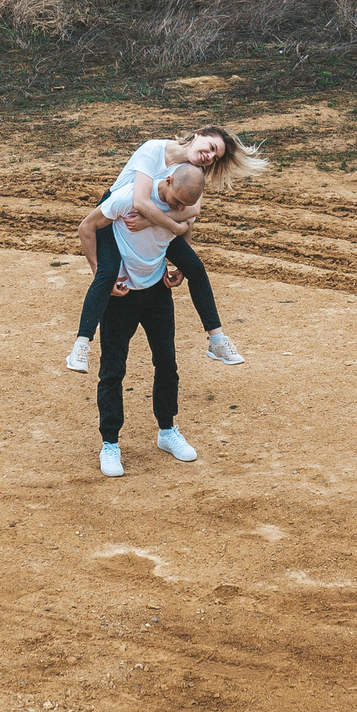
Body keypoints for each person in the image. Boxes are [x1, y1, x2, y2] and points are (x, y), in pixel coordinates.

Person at [65, 124, 266, 373]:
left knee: (195, 267)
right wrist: (177, 227)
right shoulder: (153, 150)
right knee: (106, 273)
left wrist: (160, 229)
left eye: (216, 157)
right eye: (211, 148)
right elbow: (140, 201)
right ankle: (81, 345)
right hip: (115, 213)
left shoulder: (194, 170)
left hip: (154, 217)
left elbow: (192, 210)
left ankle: (216, 339)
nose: (210, 157)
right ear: (199, 133)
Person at [95, 162, 206, 477]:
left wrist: (183, 261)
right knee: (113, 369)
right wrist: (101, 277)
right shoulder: (132, 197)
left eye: (185, 205)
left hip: (157, 290)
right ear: (167, 181)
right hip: (122, 294)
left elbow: (184, 227)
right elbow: (89, 226)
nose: (178, 208)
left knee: (167, 363)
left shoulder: (181, 204)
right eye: (176, 202)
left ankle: (167, 430)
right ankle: (110, 443)